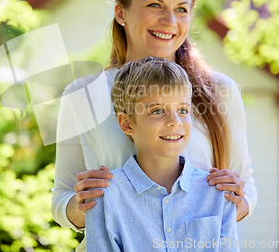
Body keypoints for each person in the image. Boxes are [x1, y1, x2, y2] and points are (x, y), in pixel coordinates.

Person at [51, 0, 256, 251]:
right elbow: (61, 199)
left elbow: (246, 185)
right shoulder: (82, 97)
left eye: (182, 9)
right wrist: (84, 204)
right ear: (121, 12)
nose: (169, 21)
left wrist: (233, 202)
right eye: (154, 5)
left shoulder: (220, 91)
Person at [85, 56, 239, 252]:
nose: (175, 121)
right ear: (126, 123)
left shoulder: (217, 194)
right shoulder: (105, 197)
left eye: (183, 110)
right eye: (157, 111)